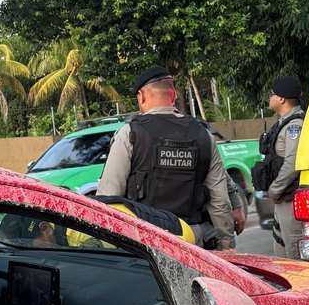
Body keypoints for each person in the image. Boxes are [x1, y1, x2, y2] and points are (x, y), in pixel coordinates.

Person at [98, 65, 235, 250]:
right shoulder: (204, 135)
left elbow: (109, 198)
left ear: (141, 96)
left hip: (147, 242)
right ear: (174, 96)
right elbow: (220, 199)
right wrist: (227, 244)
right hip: (193, 243)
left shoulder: (130, 133)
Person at [257, 75, 306, 259]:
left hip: (290, 198)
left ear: (282, 99)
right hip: (283, 200)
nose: (270, 98)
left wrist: (275, 189)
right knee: (281, 253)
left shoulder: (295, 126)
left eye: (272, 94)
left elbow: (293, 162)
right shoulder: (282, 124)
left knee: (295, 255)